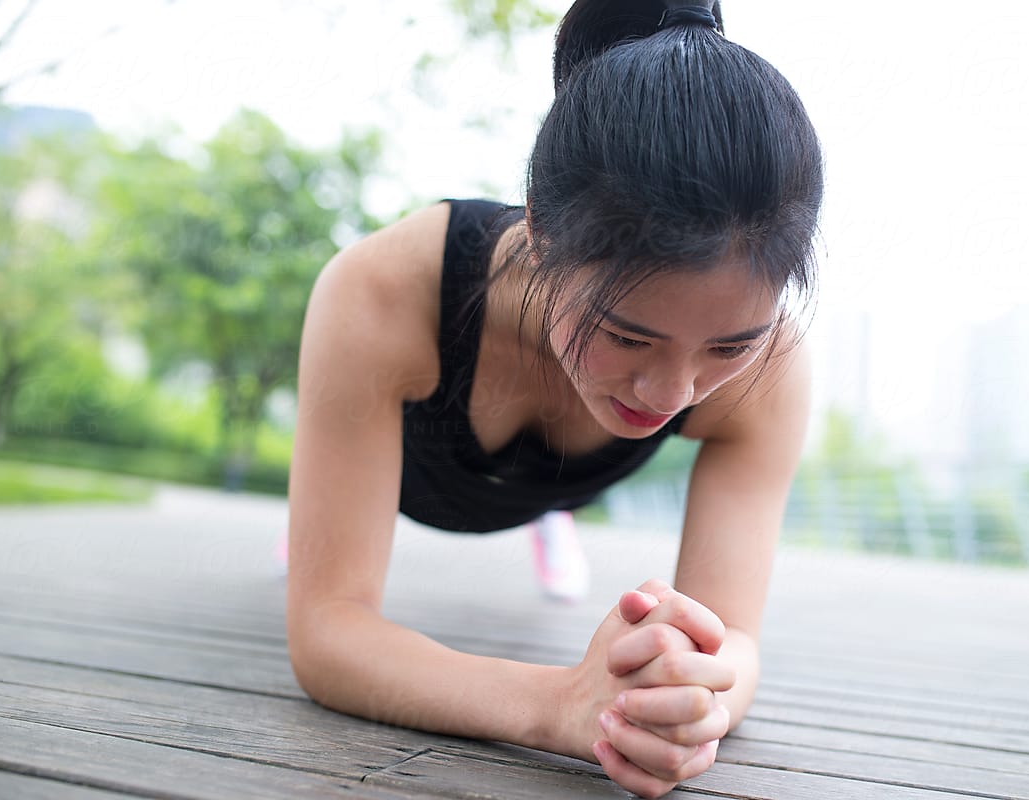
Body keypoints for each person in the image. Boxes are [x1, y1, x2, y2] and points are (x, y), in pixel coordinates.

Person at [284, 1, 822, 797]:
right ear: (538, 232)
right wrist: (557, 707)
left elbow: (732, 637)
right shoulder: (380, 293)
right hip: (418, 478)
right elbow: (328, 631)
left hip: (562, 472)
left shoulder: (771, 364)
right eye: (628, 336)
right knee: (322, 548)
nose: (674, 391)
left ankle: (549, 508)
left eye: (727, 346)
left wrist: (688, 697)